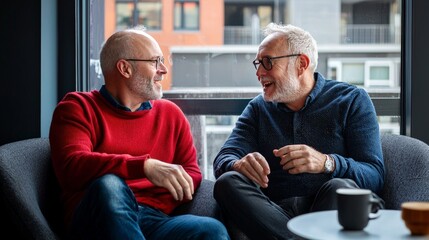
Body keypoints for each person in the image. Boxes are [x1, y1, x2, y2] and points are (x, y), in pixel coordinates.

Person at [49, 26, 230, 240]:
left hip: (153, 219)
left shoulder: (170, 114)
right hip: (97, 219)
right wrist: (143, 167)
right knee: (110, 186)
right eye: (155, 61)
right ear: (125, 69)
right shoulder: (77, 107)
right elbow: (71, 166)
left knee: (211, 230)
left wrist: (159, 195)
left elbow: (190, 172)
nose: (163, 69)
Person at [213, 23, 385, 240]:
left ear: (301, 64)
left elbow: (375, 176)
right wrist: (238, 164)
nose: (258, 72)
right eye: (257, 63)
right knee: (227, 182)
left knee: (339, 187)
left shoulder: (351, 100)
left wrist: (326, 163)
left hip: (326, 210)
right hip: (271, 213)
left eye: (268, 62)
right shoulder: (258, 108)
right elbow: (223, 159)